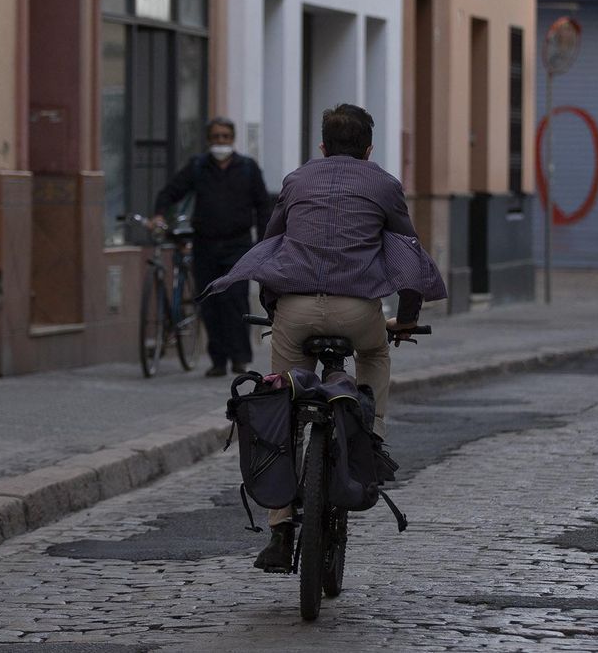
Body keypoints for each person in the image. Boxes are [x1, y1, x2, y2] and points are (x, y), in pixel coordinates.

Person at [202, 103, 446, 573]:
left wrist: (275, 307)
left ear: (322, 147)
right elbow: (409, 255)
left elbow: (272, 244)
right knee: (374, 353)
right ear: (369, 149)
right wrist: (408, 319)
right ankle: (371, 441)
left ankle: (279, 530)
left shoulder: (296, 181)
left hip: (295, 309)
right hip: (358, 311)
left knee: (282, 399)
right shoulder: (384, 185)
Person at [151, 117, 274, 378]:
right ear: (209, 140)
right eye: (216, 137)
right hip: (204, 244)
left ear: (232, 139)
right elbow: (170, 192)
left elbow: (263, 206)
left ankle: (240, 358)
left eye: (225, 137)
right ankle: (218, 360)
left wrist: (265, 242)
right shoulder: (197, 167)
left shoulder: (248, 168)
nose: (221, 142)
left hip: (239, 246)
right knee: (210, 303)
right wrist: (160, 213)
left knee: (236, 301)